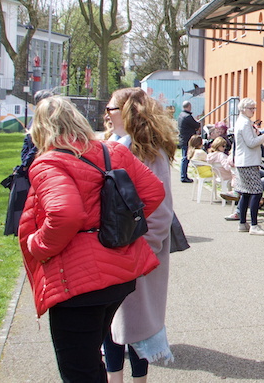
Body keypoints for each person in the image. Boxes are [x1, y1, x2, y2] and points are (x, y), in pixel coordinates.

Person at [18, 96, 164, 383]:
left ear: (41, 128)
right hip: (118, 271)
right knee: (90, 359)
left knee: (78, 370)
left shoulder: (49, 163)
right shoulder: (112, 150)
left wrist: (38, 244)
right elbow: (153, 192)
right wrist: (116, 226)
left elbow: (65, 214)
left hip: (78, 282)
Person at [102, 88, 178, 382]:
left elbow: (161, 210)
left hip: (137, 252)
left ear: (127, 111)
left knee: (137, 324)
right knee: (111, 322)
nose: (107, 114)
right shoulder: (107, 146)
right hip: (109, 249)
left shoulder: (149, 152)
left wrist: (142, 251)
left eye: (111, 108)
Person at [232, 98, 264, 234]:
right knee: (256, 192)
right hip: (248, 162)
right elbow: (251, 142)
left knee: (246, 193)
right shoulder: (245, 123)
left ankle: (243, 223)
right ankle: (254, 225)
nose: (253, 111)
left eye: (254, 108)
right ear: (243, 109)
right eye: (251, 108)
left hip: (244, 161)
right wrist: (263, 137)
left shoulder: (242, 121)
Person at [176, 101, 200, 183]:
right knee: (185, 158)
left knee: (185, 158)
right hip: (188, 140)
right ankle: (183, 176)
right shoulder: (188, 116)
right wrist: (198, 122)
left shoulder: (181, 115)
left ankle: (183, 175)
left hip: (183, 138)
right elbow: (196, 125)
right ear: (189, 106)